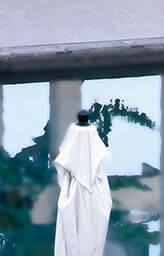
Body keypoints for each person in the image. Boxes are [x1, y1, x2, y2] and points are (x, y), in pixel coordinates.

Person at [54, 108, 111, 255]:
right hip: (94, 192)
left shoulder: (74, 136)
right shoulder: (95, 146)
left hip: (77, 189)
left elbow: (64, 162)